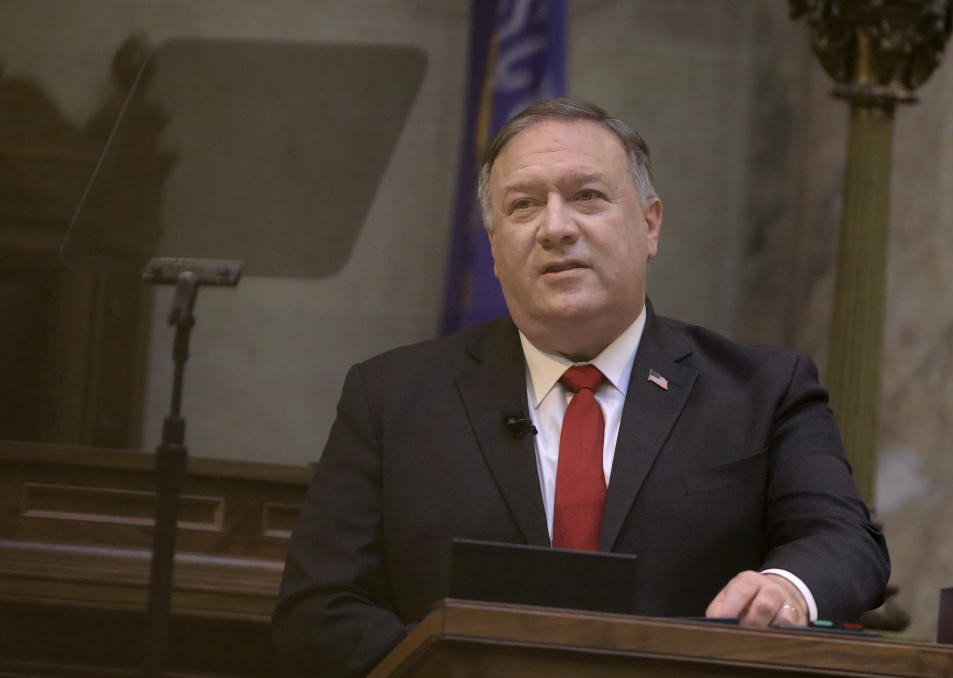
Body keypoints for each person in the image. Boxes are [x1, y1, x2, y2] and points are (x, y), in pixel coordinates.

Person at [272, 98, 889, 678]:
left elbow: (844, 542)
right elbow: (319, 609)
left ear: (650, 226)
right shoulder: (390, 397)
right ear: (493, 246)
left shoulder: (765, 390)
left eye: (587, 197)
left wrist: (787, 587)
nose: (555, 228)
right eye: (523, 206)